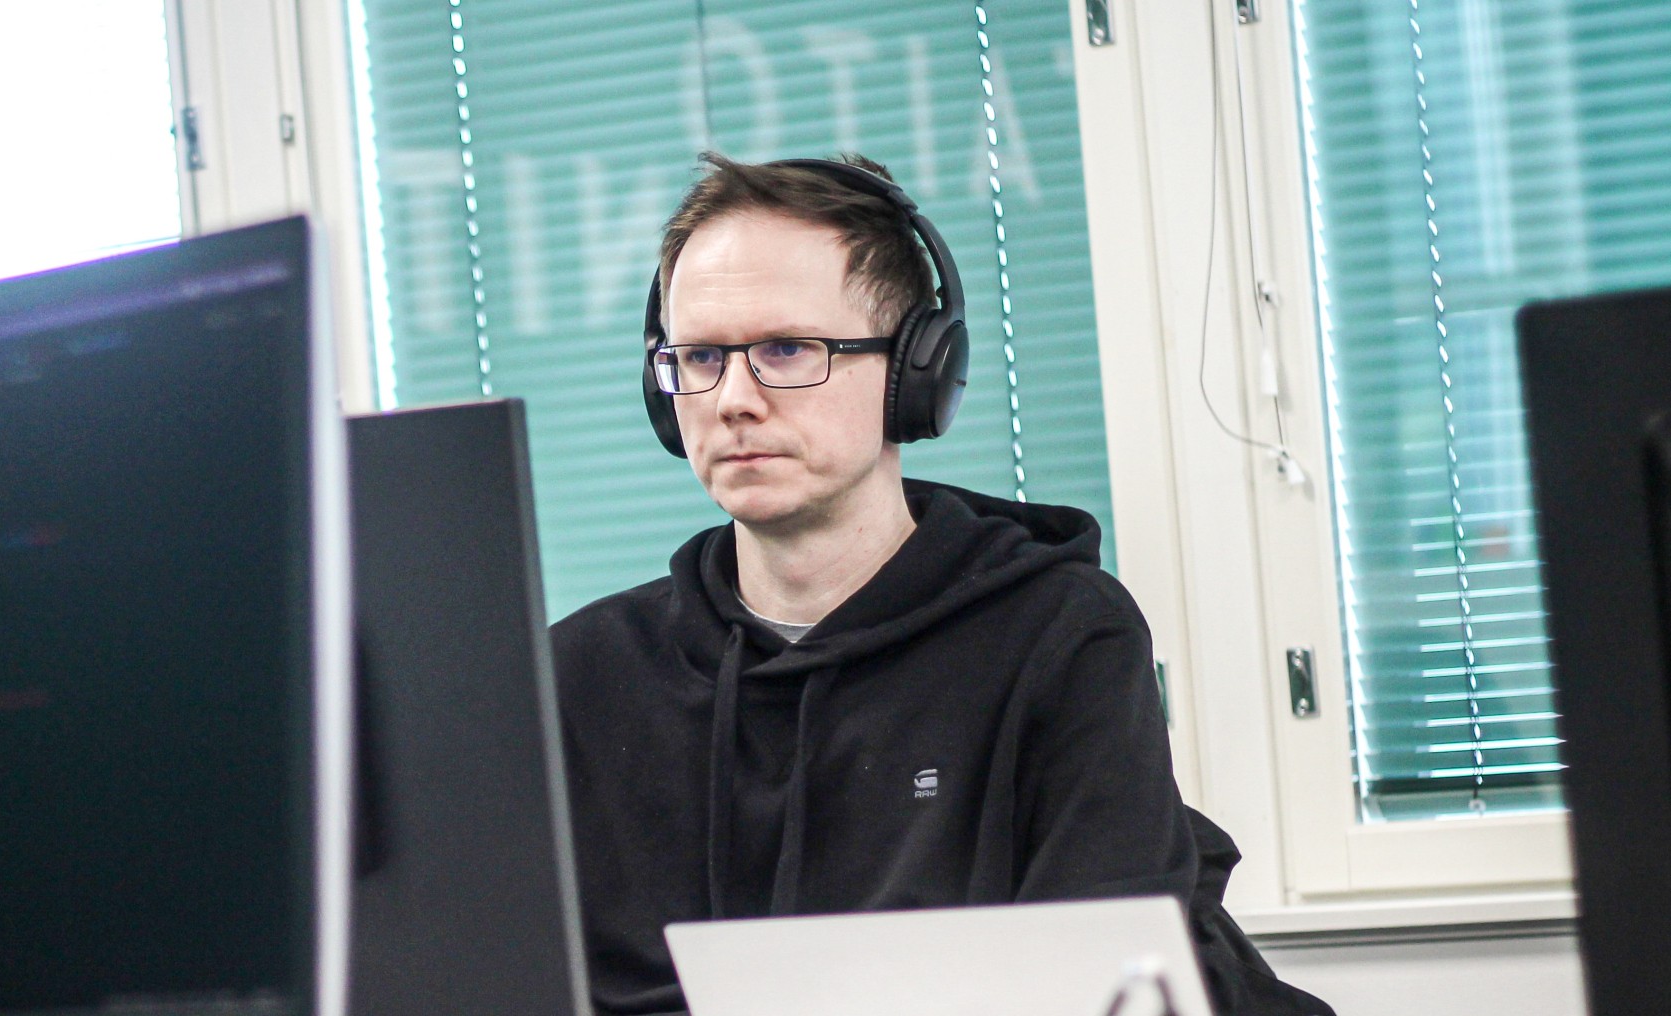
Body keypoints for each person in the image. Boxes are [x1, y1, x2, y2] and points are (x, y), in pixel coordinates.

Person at [549, 153, 1332, 1016]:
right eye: (699, 357)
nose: (732, 397)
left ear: (914, 371)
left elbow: (1102, 986)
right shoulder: (581, 674)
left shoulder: (1055, 632)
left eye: (785, 349)